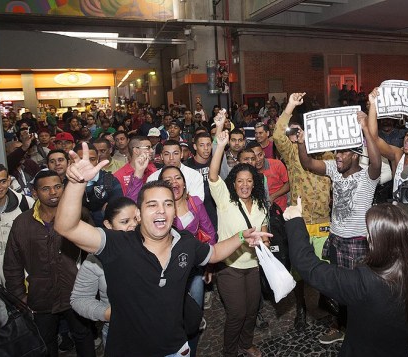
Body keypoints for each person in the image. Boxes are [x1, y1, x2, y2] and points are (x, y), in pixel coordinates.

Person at [54, 143, 270, 356]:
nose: (161, 210)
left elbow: (214, 253)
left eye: (168, 204)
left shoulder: (184, 242)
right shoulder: (118, 243)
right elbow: (67, 227)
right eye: (152, 205)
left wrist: (242, 236)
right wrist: (76, 183)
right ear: (138, 213)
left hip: (176, 349)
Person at [285, 199, 408, 356]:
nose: (366, 236)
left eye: (369, 233)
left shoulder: (363, 281)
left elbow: (308, 266)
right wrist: (403, 328)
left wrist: (296, 220)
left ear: (376, 241)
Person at [298, 105, 382, 344]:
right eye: (336, 153)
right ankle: (338, 324)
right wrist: (301, 143)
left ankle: (357, 328)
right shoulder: (335, 170)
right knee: (336, 288)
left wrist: (365, 128)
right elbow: (309, 165)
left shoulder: (368, 176)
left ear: (355, 155)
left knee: (356, 290)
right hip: (335, 239)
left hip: (356, 243)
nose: (338, 157)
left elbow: (376, 162)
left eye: (343, 153)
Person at [3, 169, 95, 357]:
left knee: (83, 336)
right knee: (46, 343)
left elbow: (93, 254)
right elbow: (12, 264)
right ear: (35, 193)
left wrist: (91, 290)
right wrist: (20, 296)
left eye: (57, 187)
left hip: (75, 292)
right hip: (40, 296)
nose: (53, 192)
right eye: (46, 189)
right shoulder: (22, 223)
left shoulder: (80, 214)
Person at [272, 92, 332, 330]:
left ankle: (325, 304)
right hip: (301, 221)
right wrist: (289, 107)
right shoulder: (293, 151)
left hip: (325, 220)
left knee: (326, 268)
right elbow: (277, 134)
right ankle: (301, 310)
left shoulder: (331, 154)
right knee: (298, 271)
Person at [208, 128, 269, 357]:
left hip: (252, 267)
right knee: (237, 314)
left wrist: (260, 243)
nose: (244, 185)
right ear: (234, 183)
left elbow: (263, 234)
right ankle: (229, 351)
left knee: (252, 311)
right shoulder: (225, 200)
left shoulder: (261, 205)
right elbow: (213, 175)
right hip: (229, 267)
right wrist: (220, 146)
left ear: (255, 184)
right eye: (240, 181)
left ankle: (246, 344)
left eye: (249, 181)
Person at [159, 166, 216, 357]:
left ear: (184, 182)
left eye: (177, 178)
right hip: (166, 273)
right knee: (170, 317)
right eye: (168, 180)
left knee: (194, 316)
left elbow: (210, 234)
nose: (174, 183)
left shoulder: (195, 202)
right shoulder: (158, 209)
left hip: (194, 270)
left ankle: (191, 350)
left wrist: (209, 264)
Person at [70, 197, 139, 348]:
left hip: (156, 330)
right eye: (125, 221)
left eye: (136, 219)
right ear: (108, 224)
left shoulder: (154, 246)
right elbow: (79, 299)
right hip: (119, 333)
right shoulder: (96, 260)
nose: (133, 225)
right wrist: (108, 314)